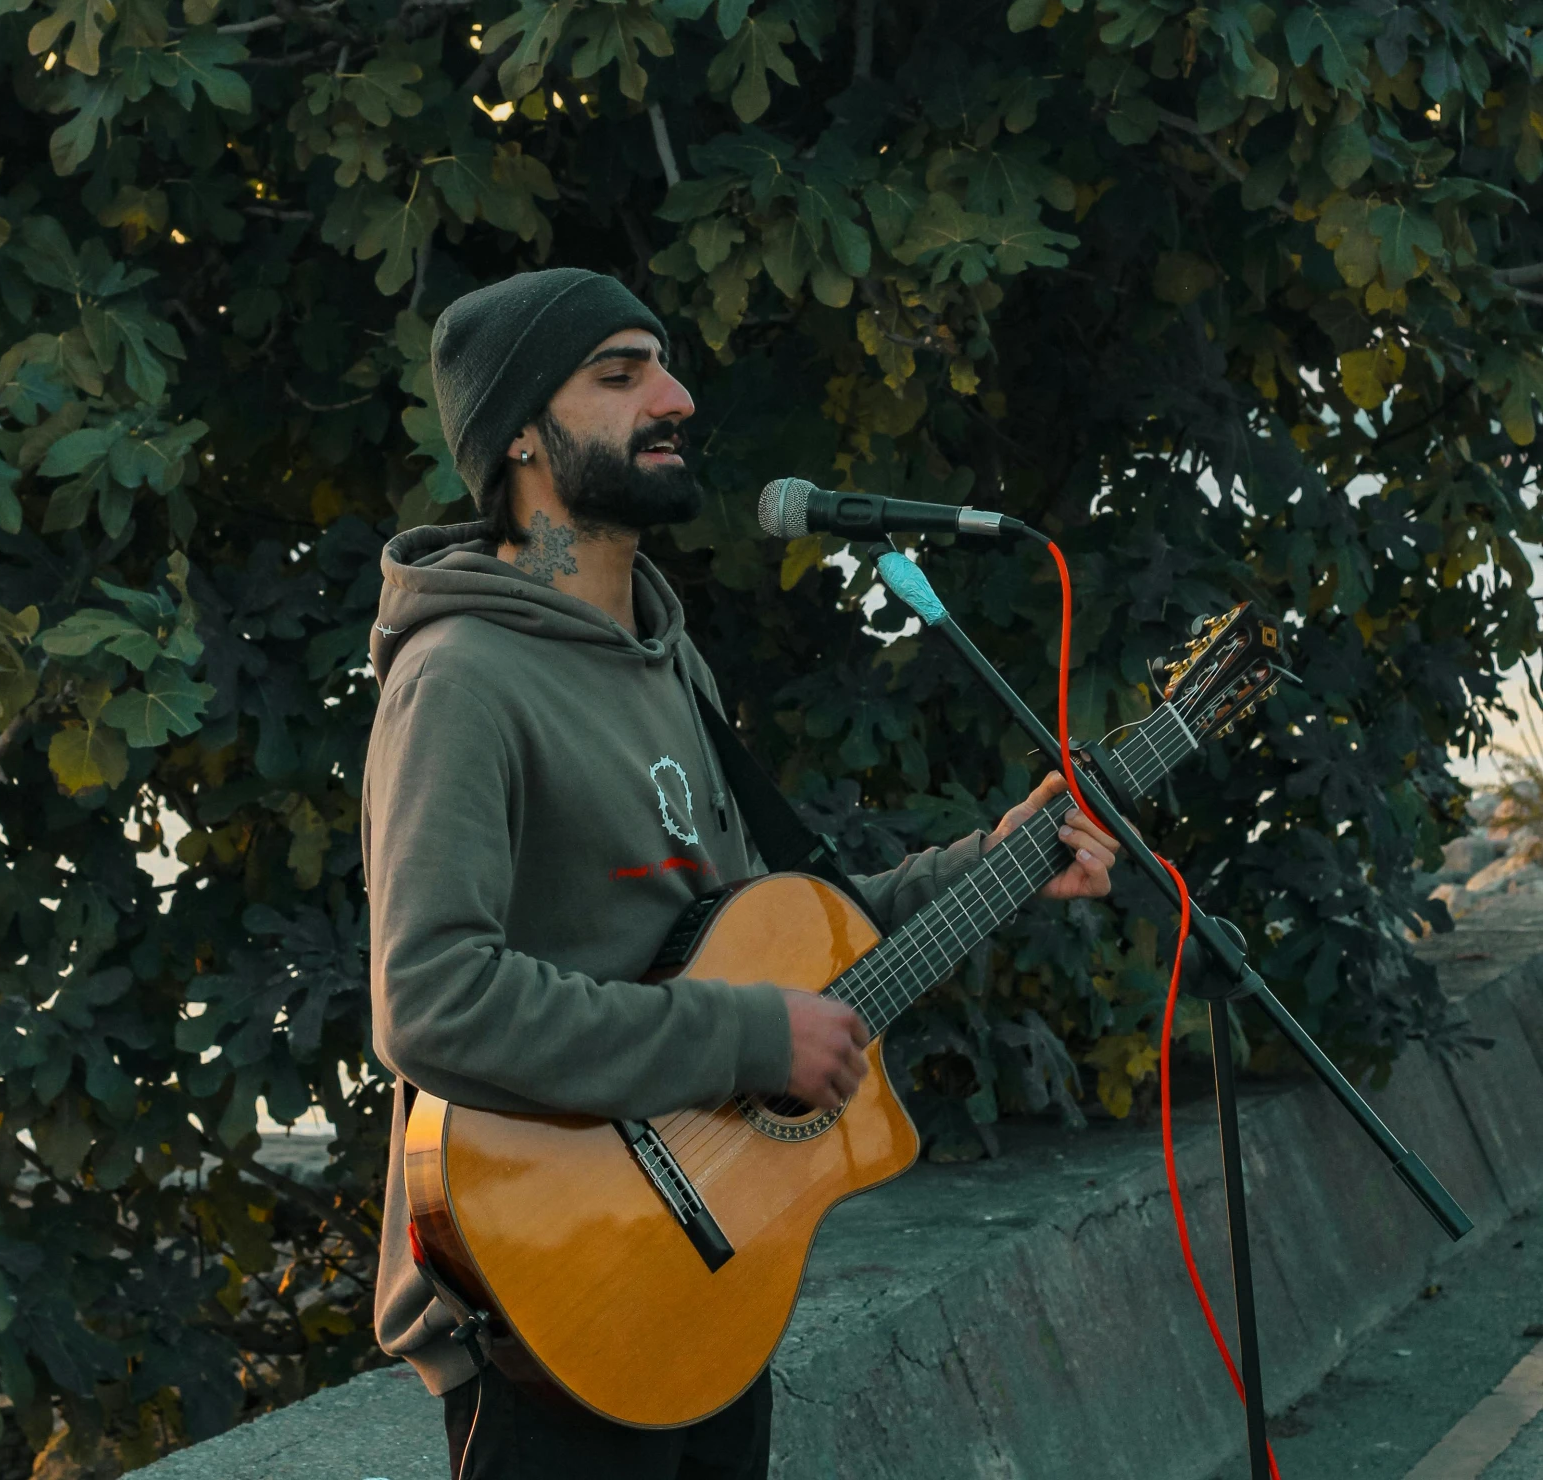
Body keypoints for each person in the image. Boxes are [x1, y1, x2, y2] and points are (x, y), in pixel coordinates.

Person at [362, 267, 1119, 1479]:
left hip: (708, 1271)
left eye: (663, 363)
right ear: (515, 432)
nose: (675, 394)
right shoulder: (462, 677)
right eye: (620, 374)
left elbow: (779, 940)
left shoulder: (668, 661)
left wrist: (1007, 858)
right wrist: (746, 1039)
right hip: (557, 1298)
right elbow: (434, 998)